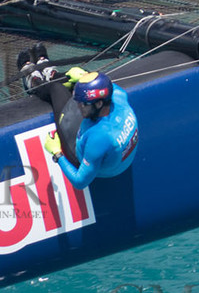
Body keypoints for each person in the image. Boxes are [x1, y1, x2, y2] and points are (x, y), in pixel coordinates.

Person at [18, 43, 138, 186]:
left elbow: (80, 181)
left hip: (91, 158)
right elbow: (103, 84)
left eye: (83, 103)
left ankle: (34, 81)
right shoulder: (118, 96)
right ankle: (51, 73)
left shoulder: (98, 139)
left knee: (56, 88)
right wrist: (84, 75)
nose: (77, 104)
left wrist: (57, 153)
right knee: (78, 79)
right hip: (112, 152)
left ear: (98, 104)